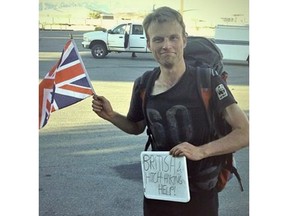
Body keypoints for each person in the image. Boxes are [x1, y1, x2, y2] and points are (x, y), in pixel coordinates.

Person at [92, 6, 249, 216]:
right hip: (160, 188)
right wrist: (112, 116)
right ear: (148, 44)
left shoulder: (207, 80)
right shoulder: (144, 84)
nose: (167, 45)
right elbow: (136, 126)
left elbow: (245, 132)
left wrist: (201, 151)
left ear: (184, 40)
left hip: (201, 191)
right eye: (158, 39)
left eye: (173, 38)